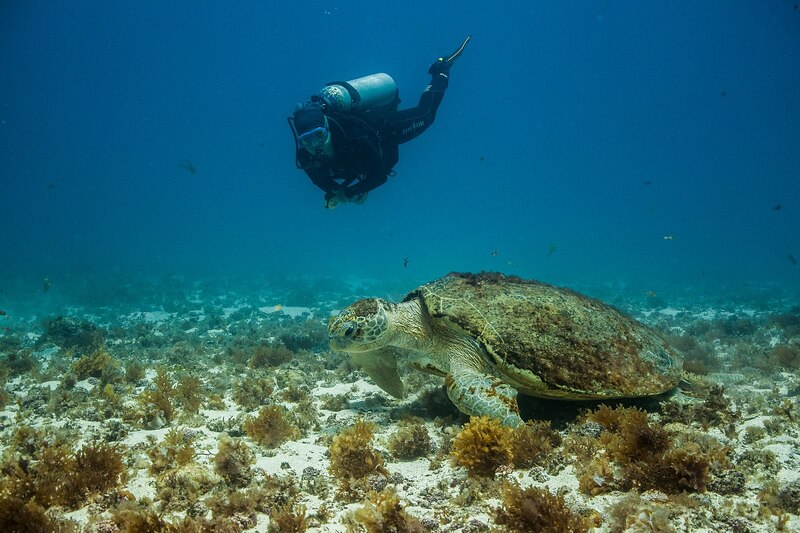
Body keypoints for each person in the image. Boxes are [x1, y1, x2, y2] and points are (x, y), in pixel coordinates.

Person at [289, 36, 471, 209]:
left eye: (319, 135)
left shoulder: (354, 137)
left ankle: (441, 69)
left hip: (386, 130)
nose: (315, 144)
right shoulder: (306, 157)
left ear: (327, 127)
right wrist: (339, 194)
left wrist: (352, 192)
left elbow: (378, 175)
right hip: (370, 144)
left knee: (427, 114)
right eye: (307, 140)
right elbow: (322, 182)